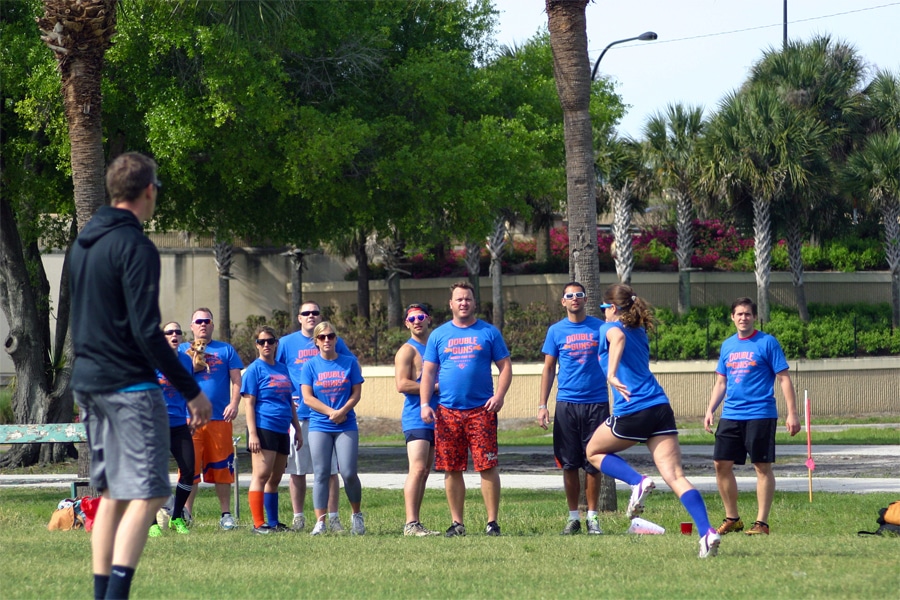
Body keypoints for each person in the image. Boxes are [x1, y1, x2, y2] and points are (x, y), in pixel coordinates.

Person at [70, 152, 212, 600]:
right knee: (150, 495)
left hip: (89, 384)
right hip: (129, 386)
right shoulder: (134, 246)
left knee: (112, 492)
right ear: (148, 191)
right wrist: (192, 391)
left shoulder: (82, 246)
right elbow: (147, 331)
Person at [585, 283, 721, 558]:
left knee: (593, 451)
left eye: (605, 308)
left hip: (634, 408)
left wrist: (611, 375)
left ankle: (637, 481)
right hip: (660, 407)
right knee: (675, 476)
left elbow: (617, 338)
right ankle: (707, 532)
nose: (604, 314)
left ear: (612, 308)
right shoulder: (640, 330)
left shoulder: (609, 328)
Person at [420, 281, 512, 537]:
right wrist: (426, 403)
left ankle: (492, 522)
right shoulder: (439, 335)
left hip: (481, 410)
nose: (463, 303)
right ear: (451, 304)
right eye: (459, 299)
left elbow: (505, 366)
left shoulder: (489, 332)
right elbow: (428, 372)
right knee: (451, 467)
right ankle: (457, 523)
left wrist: (499, 396)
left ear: (474, 302)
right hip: (447, 411)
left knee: (487, 466)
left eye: (468, 299)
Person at [703, 297, 801, 536]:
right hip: (731, 414)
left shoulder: (767, 343)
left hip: (760, 413)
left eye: (747, 314)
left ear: (754, 317)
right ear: (732, 317)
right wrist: (710, 409)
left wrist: (792, 413)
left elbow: (784, 378)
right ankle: (732, 518)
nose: (743, 318)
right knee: (720, 464)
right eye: (739, 314)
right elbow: (721, 382)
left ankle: (762, 523)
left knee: (761, 466)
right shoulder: (728, 346)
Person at [538, 282, 609, 535]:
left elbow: (617, 358)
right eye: (570, 295)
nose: (575, 299)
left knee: (594, 462)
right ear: (563, 302)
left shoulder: (601, 328)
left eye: (579, 295)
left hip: (597, 403)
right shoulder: (556, 331)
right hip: (567, 404)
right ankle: (573, 517)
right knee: (569, 464)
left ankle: (592, 518)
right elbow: (548, 369)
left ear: (585, 299)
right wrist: (542, 405)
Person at [275, 301, 349, 532]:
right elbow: (274, 371)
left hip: (328, 417)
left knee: (329, 471)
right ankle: (299, 516)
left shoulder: (332, 339)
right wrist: (286, 395)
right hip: (298, 416)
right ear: (299, 318)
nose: (311, 316)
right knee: (297, 470)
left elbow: (348, 368)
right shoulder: (286, 343)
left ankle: (333, 517)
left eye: (315, 313)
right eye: (305, 313)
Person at [179, 308, 243, 530]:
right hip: (189, 420)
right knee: (189, 468)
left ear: (213, 325)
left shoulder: (226, 350)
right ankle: (186, 514)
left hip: (218, 419)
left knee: (222, 470)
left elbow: (237, 380)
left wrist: (234, 404)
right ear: (192, 326)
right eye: (199, 321)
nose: (203, 324)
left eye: (207, 321)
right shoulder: (181, 349)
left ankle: (225, 514)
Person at [300, 321, 366, 535]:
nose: (327, 340)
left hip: (346, 423)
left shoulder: (349, 362)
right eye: (322, 337)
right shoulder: (310, 366)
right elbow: (308, 398)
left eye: (330, 336)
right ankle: (320, 521)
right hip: (320, 424)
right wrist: (330, 412)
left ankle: (357, 515)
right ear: (316, 341)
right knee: (320, 473)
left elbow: (356, 393)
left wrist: (342, 411)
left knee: (348, 472)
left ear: (336, 339)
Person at [241, 326, 302, 534]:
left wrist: (297, 429)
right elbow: (249, 404)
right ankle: (258, 524)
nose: (266, 345)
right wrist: (253, 434)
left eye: (270, 341)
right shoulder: (254, 370)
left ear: (276, 344)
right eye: (261, 342)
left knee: (275, 477)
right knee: (261, 474)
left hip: (282, 428)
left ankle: (273, 522)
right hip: (263, 426)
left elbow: (290, 401)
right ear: (256, 345)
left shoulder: (282, 368)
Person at [394, 303, 441, 536]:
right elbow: (402, 384)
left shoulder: (434, 347)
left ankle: (416, 522)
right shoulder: (407, 350)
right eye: (412, 319)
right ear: (406, 324)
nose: (417, 321)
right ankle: (410, 523)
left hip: (437, 417)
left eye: (421, 317)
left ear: (429, 319)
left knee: (425, 471)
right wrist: (434, 387)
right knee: (417, 468)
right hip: (416, 418)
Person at [148, 322, 197, 537]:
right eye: (169, 332)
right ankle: (151, 524)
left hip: (179, 424)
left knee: (188, 471)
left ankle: (177, 516)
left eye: (178, 332)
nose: (174, 335)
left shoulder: (186, 360)